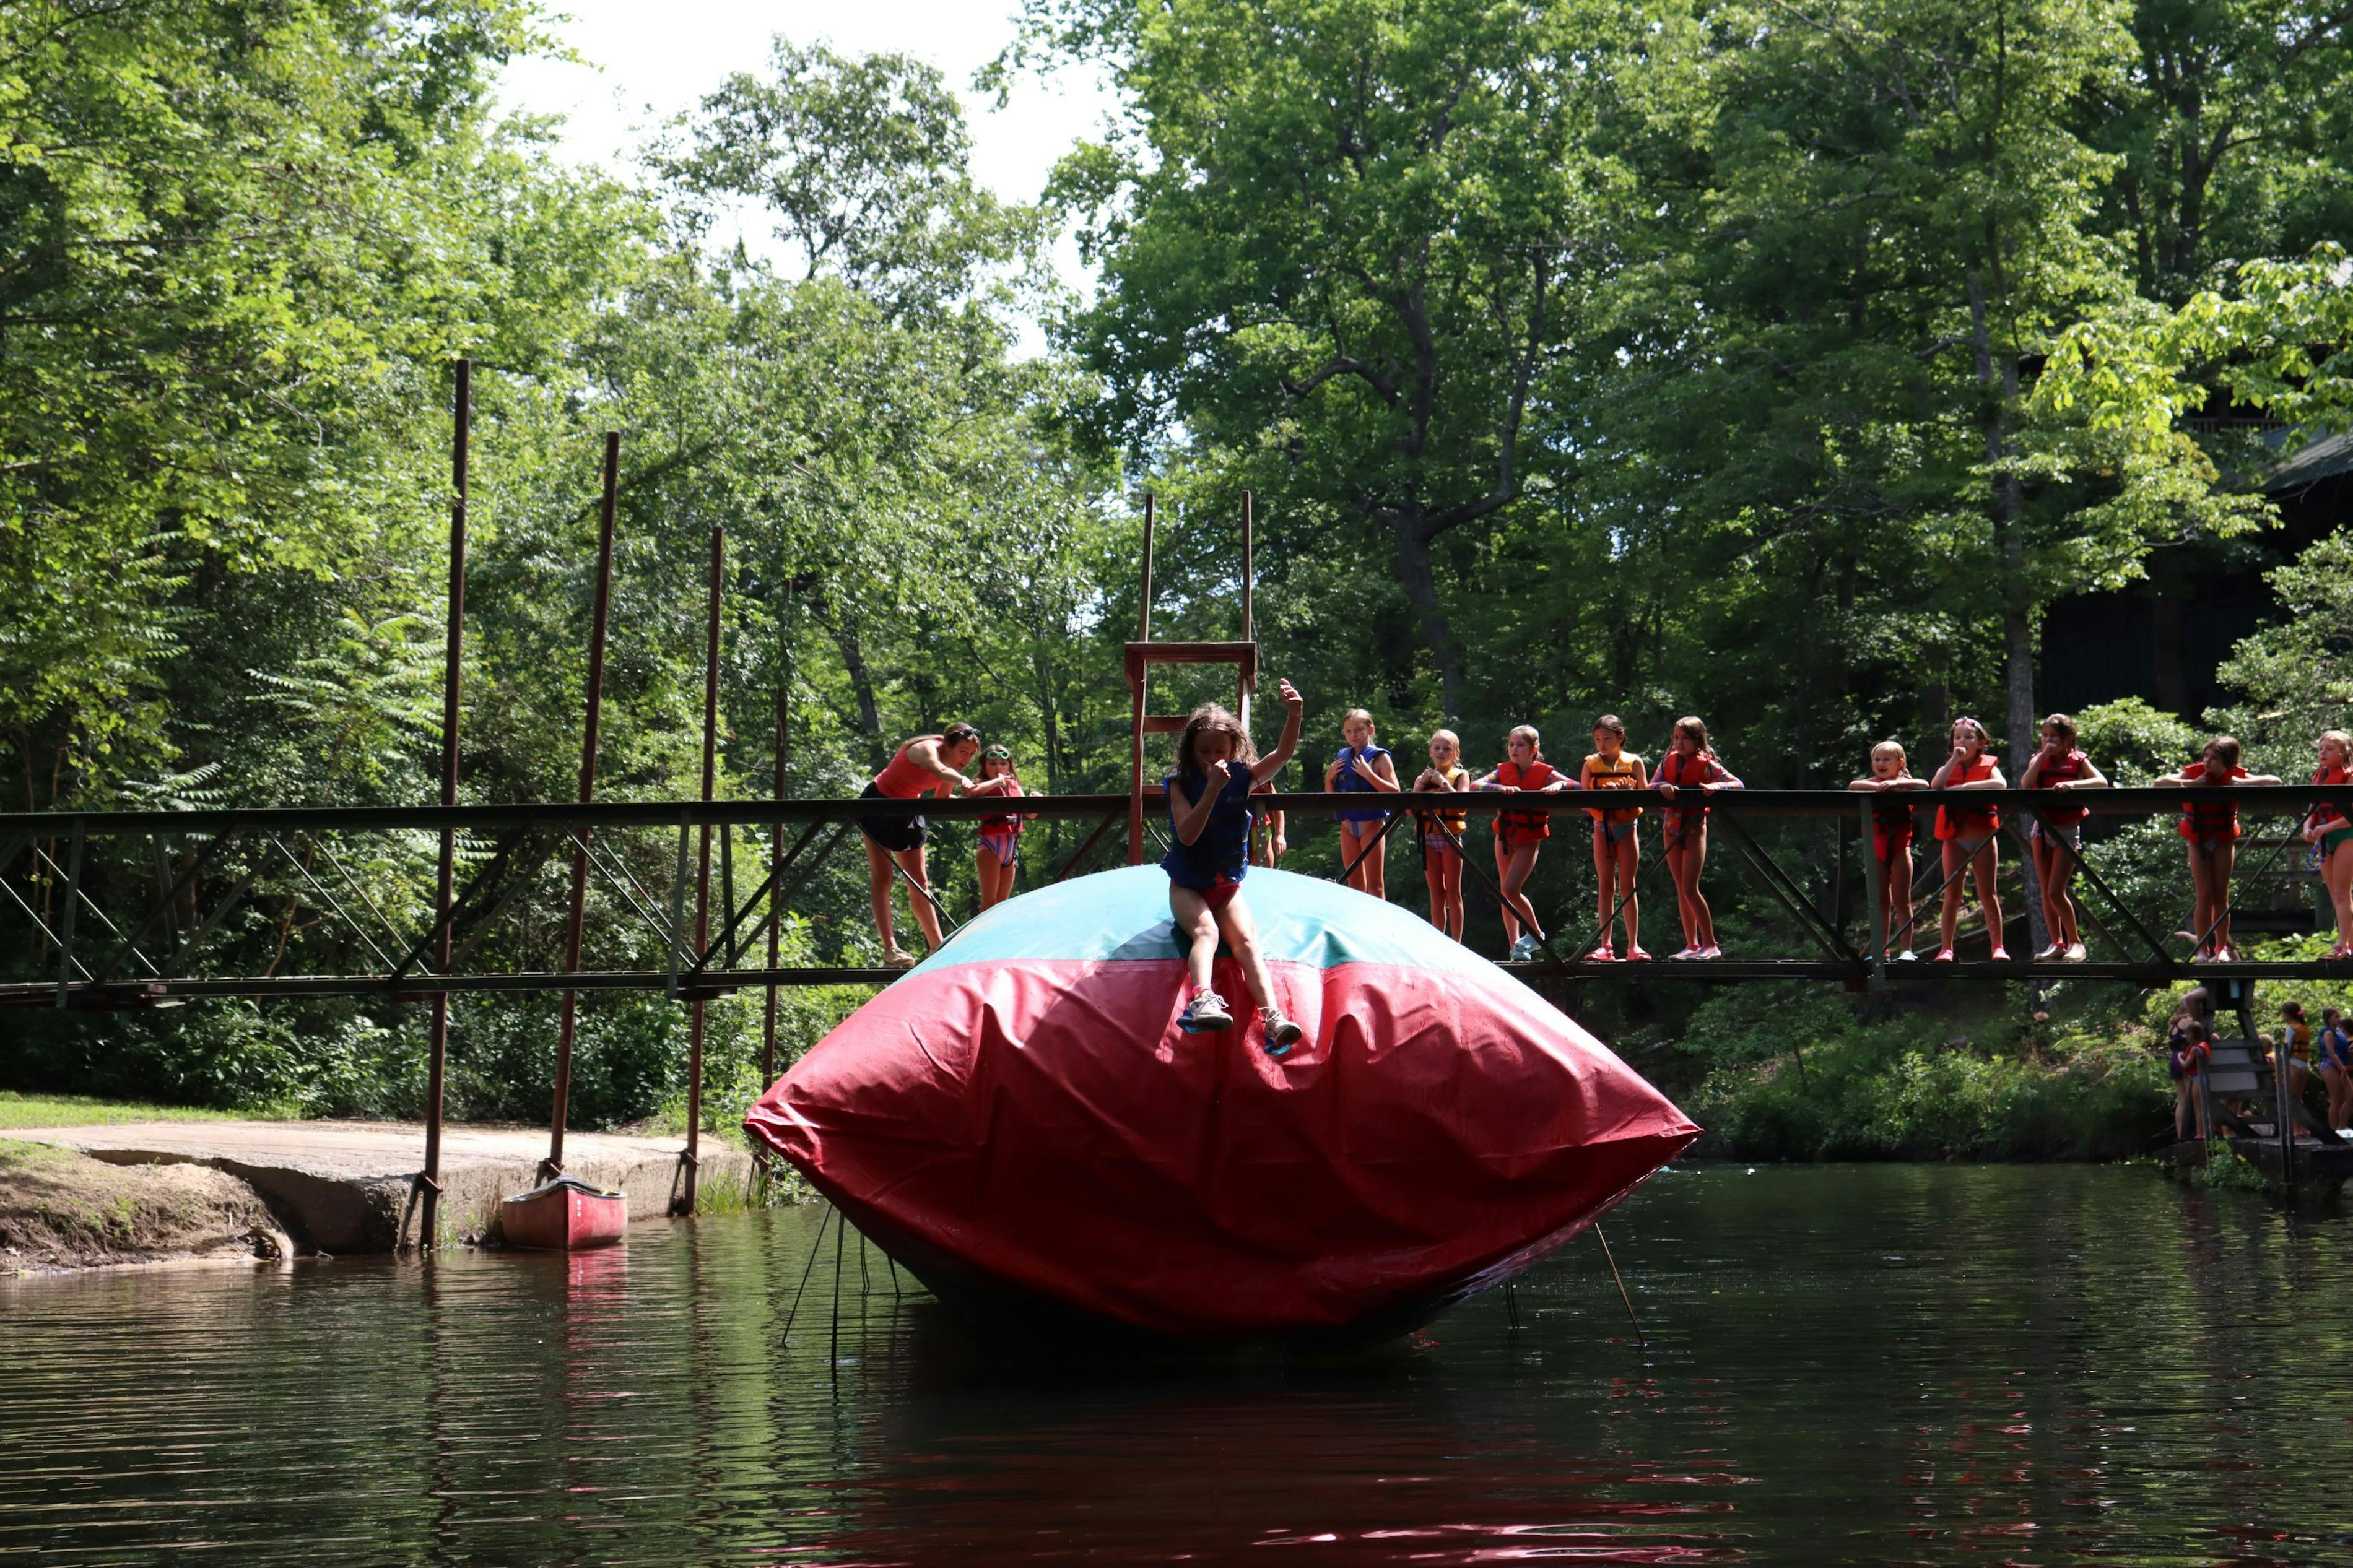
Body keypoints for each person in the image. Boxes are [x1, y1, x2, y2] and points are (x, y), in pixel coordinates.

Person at [1165, 680, 1308, 1053]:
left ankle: (1273, 1017)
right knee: (1207, 933)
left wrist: (1295, 714)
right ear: (1191, 750)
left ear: (1234, 748)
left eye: (1221, 750)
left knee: (1247, 942)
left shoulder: (1244, 777)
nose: (1213, 758)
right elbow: (1189, 834)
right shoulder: (1179, 784)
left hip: (1226, 883)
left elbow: (1283, 754)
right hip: (1188, 885)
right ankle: (1202, 1000)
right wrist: (1212, 788)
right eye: (1204, 751)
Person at [861, 723, 1011, 968]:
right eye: (963, 751)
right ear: (948, 745)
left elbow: (942, 798)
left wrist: (975, 804)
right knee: (883, 878)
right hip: (879, 803)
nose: (967, 758)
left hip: (910, 809)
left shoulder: (953, 766)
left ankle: (937, 948)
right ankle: (891, 949)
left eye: (972, 754)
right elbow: (939, 771)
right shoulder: (926, 749)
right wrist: (962, 779)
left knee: (919, 882)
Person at [2157, 735, 2281, 961]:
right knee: (2204, 895)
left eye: (2214, 758)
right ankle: (2202, 950)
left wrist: (2241, 783)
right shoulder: (2194, 773)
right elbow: (2160, 782)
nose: (2207, 762)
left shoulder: (2234, 774)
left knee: (2220, 895)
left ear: (2228, 761)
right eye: (2205, 756)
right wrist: (2193, 785)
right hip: (2198, 839)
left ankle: (2221, 949)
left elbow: (2275, 781)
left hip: (2223, 839)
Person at [1473, 724, 1578, 961]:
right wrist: (1501, 788)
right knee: (1505, 894)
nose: (1514, 749)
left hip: (1529, 838)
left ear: (1534, 749)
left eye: (1520, 745)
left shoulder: (1546, 773)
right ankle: (1516, 947)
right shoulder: (1502, 772)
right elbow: (1475, 785)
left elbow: (1577, 785)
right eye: (1511, 744)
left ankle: (1535, 935)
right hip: (1505, 837)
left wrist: (1559, 785)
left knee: (1512, 889)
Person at [2017, 713, 2107, 962]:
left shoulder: (2078, 760)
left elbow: (2101, 782)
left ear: (2067, 740)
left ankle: (2076, 943)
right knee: (2046, 892)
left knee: (2057, 891)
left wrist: (2073, 786)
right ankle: (2057, 943)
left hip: (2067, 832)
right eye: (2045, 736)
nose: (2048, 741)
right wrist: (2042, 757)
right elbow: (2026, 784)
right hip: (2041, 830)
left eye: (2054, 737)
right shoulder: (2039, 759)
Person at [1653, 716, 1742, 959]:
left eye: (1685, 738)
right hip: (1671, 829)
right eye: (1676, 738)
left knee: (1690, 887)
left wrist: (1716, 788)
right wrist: (1662, 786)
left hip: (1694, 830)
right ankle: (1691, 945)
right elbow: (1651, 785)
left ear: (1698, 740)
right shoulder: (1667, 763)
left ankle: (1710, 944)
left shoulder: (1707, 765)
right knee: (1681, 889)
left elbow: (1737, 784)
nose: (1679, 743)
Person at [1928, 717, 2008, 962]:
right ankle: (1946, 949)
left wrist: (1965, 788)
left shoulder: (1989, 765)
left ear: (1981, 742)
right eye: (1958, 737)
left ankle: (1998, 947)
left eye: (1969, 737)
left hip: (1983, 838)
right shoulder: (1949, 765)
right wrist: (1954, 759)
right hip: (1955, 841)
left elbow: (2000, 784)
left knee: (1988, 894)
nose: (1962, 741)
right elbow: (1936, 785)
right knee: (1952, 896)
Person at [1851, 742, 1931, 959]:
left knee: (1902, 901)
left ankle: (1906, 950)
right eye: (1877, 760)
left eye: (1887, 760)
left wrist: (1894, 785)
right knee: (1879, 903)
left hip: (1900, 850)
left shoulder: (1905, 784)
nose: (1881, 764)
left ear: (1900, 763)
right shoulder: (1871, 783)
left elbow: (1925, 785)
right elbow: (1853, 786)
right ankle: (1880, 949)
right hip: (1875, 850)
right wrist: (1878, 787)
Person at [1581, 715, 1650, 961]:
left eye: (1607, 739)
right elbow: (1584, 801)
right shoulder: (1590, 764)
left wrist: (1626, 792)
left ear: (1620, 737)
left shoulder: (1635, 762)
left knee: (1628, 886)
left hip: (1627, 827)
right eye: (1598, 739)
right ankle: (1605, 946)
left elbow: (1646, 795)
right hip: (1602, 828)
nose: (1602, 744)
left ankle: (1634, 946)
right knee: (1605, 886)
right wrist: (1602, 794)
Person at [1325, 708, 1400, 899]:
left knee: (1376, 887)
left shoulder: (1380, 758)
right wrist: (1328, 779)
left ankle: (1379, 927)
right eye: (1348, 731)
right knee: (1355, 886)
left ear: (1371, 730)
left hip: (1371, 824)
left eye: (1358, 730)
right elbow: (1331, 799)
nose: (1353, 735)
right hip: (1348, 825)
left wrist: (1369, 775)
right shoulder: (1342, 757)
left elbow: (1395, 792)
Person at [1411, 729, 1471, 940]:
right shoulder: (1423, 778)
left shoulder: (1461, 775)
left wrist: (1443, 783)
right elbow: (1410, 811)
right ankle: (1439, 940)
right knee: (1437, 894)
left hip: (1450, 837)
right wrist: (1419, 785)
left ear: (1455, 753)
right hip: (1428, 838)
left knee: (1453, 893)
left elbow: (1463, 803)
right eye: (1437, 748)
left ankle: (1457, 942)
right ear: (1430, 752)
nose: (1441, 752)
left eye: (1447, 749)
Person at [2301, 730, 2353, 959]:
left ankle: (2342, 945)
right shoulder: (2319, 775)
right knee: (2335, 893)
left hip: (2346, 834)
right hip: (2324, 837)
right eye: (2321, 748)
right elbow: (2313, 807)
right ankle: (2348, 943)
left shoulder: (2350, 776)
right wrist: (2307, 827)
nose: (2323, 752)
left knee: (2342, 892)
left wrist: (2330, 828)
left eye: (2330, 749)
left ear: (2344, 753)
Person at [973, 745, 1034, 912]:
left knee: (1001, 907)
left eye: (1003, 763)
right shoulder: (982, 785)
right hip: (990, 848)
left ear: (1009, 766)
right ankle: (982, 938)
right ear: (985, 767)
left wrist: (1036, 800)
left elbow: (1031, 815)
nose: (998, 768)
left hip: (1010, 851)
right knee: (988, 904)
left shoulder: (1015, 786)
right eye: (993, 764)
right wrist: (997, 782)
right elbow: (973, 792)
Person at [2170, 1015, 2213, 1142]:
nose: (2186, 1038)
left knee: (2196, 1106)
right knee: (2201, 1105)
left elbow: (2186, 1065)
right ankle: (2204, 1131)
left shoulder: (2194, 1049)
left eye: (2187, 1035)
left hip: (2197, 1078)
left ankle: (2200, 1133)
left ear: (2192, 1036)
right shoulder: (2204, 1045)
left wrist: (2179, 1058)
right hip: (2202, 1076)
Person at [2318, 1006, 2352, 1133]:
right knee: (2337, 1099)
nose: (2339, 1019)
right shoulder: (2328, 1033)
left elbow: (2342, 1049)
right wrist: (2342, 1069)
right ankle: (2333, 1130)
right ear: (2328, 1019)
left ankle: (2342, 1127)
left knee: (2350, 1097)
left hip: (2341, 1066)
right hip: (2330, 1066)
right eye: (2336, 1016)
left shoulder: (2338, 1033)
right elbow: (2331, 1053)